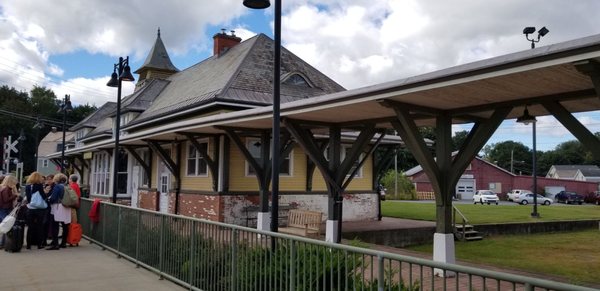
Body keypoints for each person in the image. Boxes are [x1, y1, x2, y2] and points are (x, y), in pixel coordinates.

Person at [44, 173, 70, 250]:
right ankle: (64, 242)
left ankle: (55, 244)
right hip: (66, 206)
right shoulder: (67, 186)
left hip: (57, 207)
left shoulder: (57, 186)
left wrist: (48, 200)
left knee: (54, 225)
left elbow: (53, 197)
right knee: (65, 225)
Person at [25, 172, 47, 249]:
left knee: (30, 227)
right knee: (39, 226)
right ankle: (39, 244)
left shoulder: (27, 186)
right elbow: (43, 196)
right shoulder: (39, 186)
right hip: (39, 209)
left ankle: (28, 245)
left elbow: (28, 198)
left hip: (30, 208)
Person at [0, 175, 20, 249]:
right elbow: (6, 199)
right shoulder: (6, 189)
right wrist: (15, 195)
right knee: (6, 226)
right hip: (5, 208)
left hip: (3, 208)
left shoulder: (3, 187)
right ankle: (2, 243)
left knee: (5, 225)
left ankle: (2, 243)